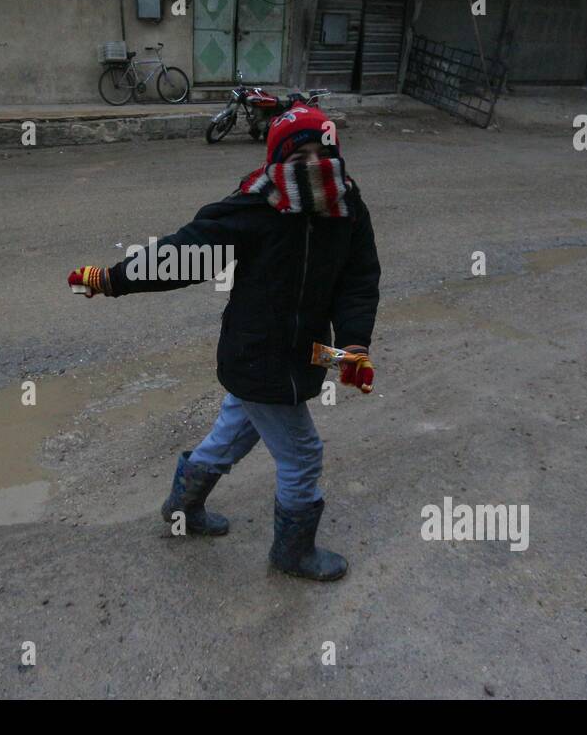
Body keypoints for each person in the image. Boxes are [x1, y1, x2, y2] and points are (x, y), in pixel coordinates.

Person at [67, 104, 380, 581]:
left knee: (230, 435)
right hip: (257, 356)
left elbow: (357, 281)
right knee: (303, 455)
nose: (314, 164)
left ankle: (181, 509)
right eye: (300, 156)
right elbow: (183, 254)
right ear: (278, 161)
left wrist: (353, 346)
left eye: (323, 151)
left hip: (304, 354)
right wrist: (112, 279)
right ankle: (292, 553)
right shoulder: (256, 206)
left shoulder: (347, 207)